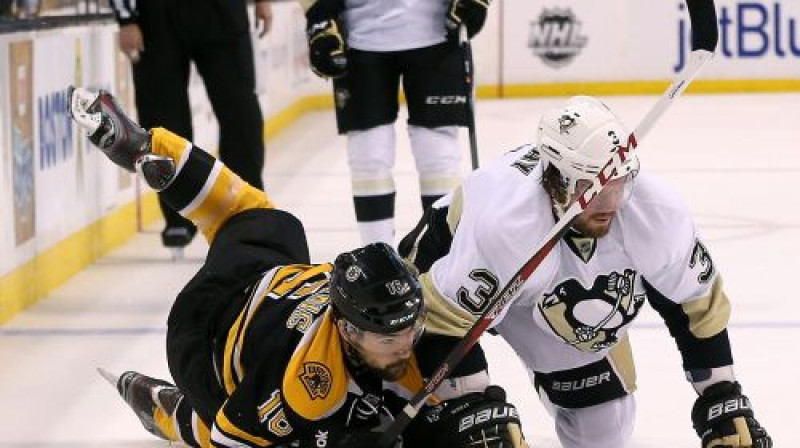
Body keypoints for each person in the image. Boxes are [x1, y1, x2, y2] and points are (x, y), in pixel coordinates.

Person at [66, 86, 527, 448]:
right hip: (205, 333)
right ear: (349, 332)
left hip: (268, 274)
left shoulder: (403, 329)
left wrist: (471, 406)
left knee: (269, 222)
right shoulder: (308, 385)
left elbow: (462, 392)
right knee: (247, 426)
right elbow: (231, 439)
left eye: (410, 329)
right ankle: (170, 411)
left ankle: (147, 148)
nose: (407, 344)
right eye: (390, 339)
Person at [399, 96, 772, 448]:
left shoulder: (656, 212)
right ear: (555, 178)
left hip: (542, 290)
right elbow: (442, 324)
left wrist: (721, 395)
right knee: (470, 433)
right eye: (592, 190)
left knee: (605, 425)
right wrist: (473, 406)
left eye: (619, 185)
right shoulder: (506, 226)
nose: (610, 204)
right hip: (448, 281)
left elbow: (694, 303)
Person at [301, 0, 490, 245]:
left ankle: (442, 254)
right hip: (360, 38)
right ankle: (376, 254)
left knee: (438, 155)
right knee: (368, 156)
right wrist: (319, 16)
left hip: (439, 33)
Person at [110, 0, 271, 249]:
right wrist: (126, 19)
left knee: (240, 112)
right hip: (156, 15)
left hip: (222, 12)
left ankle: (247, 212)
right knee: (163, 118)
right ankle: (179, 215)